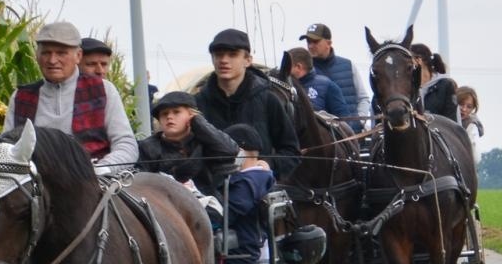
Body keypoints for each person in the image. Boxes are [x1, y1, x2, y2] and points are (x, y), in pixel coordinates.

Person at [5, 21, 138, 171]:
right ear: (37, 56)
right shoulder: (21, 97)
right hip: (34, 187)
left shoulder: (103, 91)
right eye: (46, 53)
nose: (52, 60)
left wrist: (103, 169)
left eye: (61, 53)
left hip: (95, 183)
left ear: (78, 56)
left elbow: (126, 145)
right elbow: (6, 149)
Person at [193, 28, 300, 180]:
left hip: (258, 190)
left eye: (232, 55)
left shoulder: (268, 100)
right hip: (210, 194)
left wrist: (268, 165)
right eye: (218, 54)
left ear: (248, 60)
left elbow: (291, 151)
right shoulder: (197, 104)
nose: (224, 60)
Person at [136, 90, 239, 197]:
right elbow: (141, 182)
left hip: (206, 202)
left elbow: (230, 151)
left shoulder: (205, 140)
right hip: (164, 204)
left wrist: (199, 123)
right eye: (164, 114)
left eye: (176, 112)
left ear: (191, 115)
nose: (169, 117)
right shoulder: (147, 147)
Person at [220, 124, 276, 264]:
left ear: (239, 153)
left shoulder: (249, 183)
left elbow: (224, 216)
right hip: (242, 248)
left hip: (241, 253)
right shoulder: (257, 177)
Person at [302, 23, 371, 129]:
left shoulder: (348, 65)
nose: (310, 46)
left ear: (328, 43)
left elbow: (363, 98)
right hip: (322, 139)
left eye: (315, 41)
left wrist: (359, 121)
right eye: (308, 42)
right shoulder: (303, 72)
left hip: (353, 137)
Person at [284, 47, 349, 117]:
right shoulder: (284, 86)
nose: (284, 70)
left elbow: (344, 118)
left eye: (287, 66)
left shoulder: (327, 85)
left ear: (298, 67)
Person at [411, 42, 460, 123]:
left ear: (418, 60)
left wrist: (426, 118)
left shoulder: (445, 85)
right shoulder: (407, 87)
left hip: (441, 133)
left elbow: (452, 121)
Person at [457, 85, 484, 154]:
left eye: (469, 107)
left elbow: (474, 156)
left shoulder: (471, 126)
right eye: (461, 104)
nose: (464, 109)